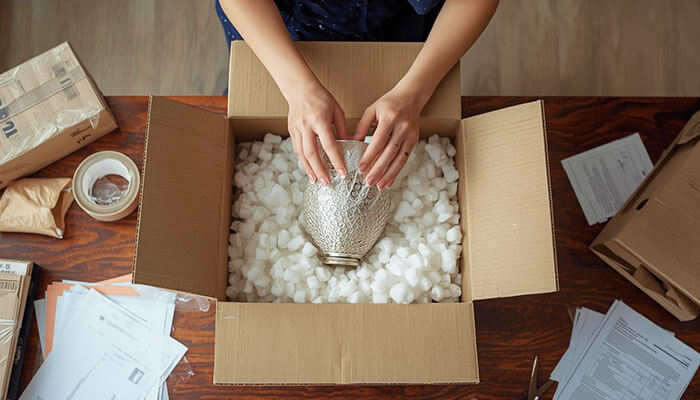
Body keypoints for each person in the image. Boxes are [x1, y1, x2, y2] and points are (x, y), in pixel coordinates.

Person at [216, 0, 498, 189]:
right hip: (278, 25)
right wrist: (296, 89)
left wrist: (413, 94)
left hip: (399, 25)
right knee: (247, 92)